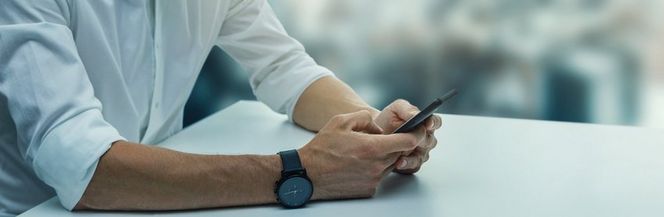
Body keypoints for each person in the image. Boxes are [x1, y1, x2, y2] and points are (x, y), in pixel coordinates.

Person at [0, 0, 441, 216]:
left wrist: (373, 132)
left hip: (157, 198)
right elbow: (78, 164)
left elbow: (285, 68)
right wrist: (301, 172)